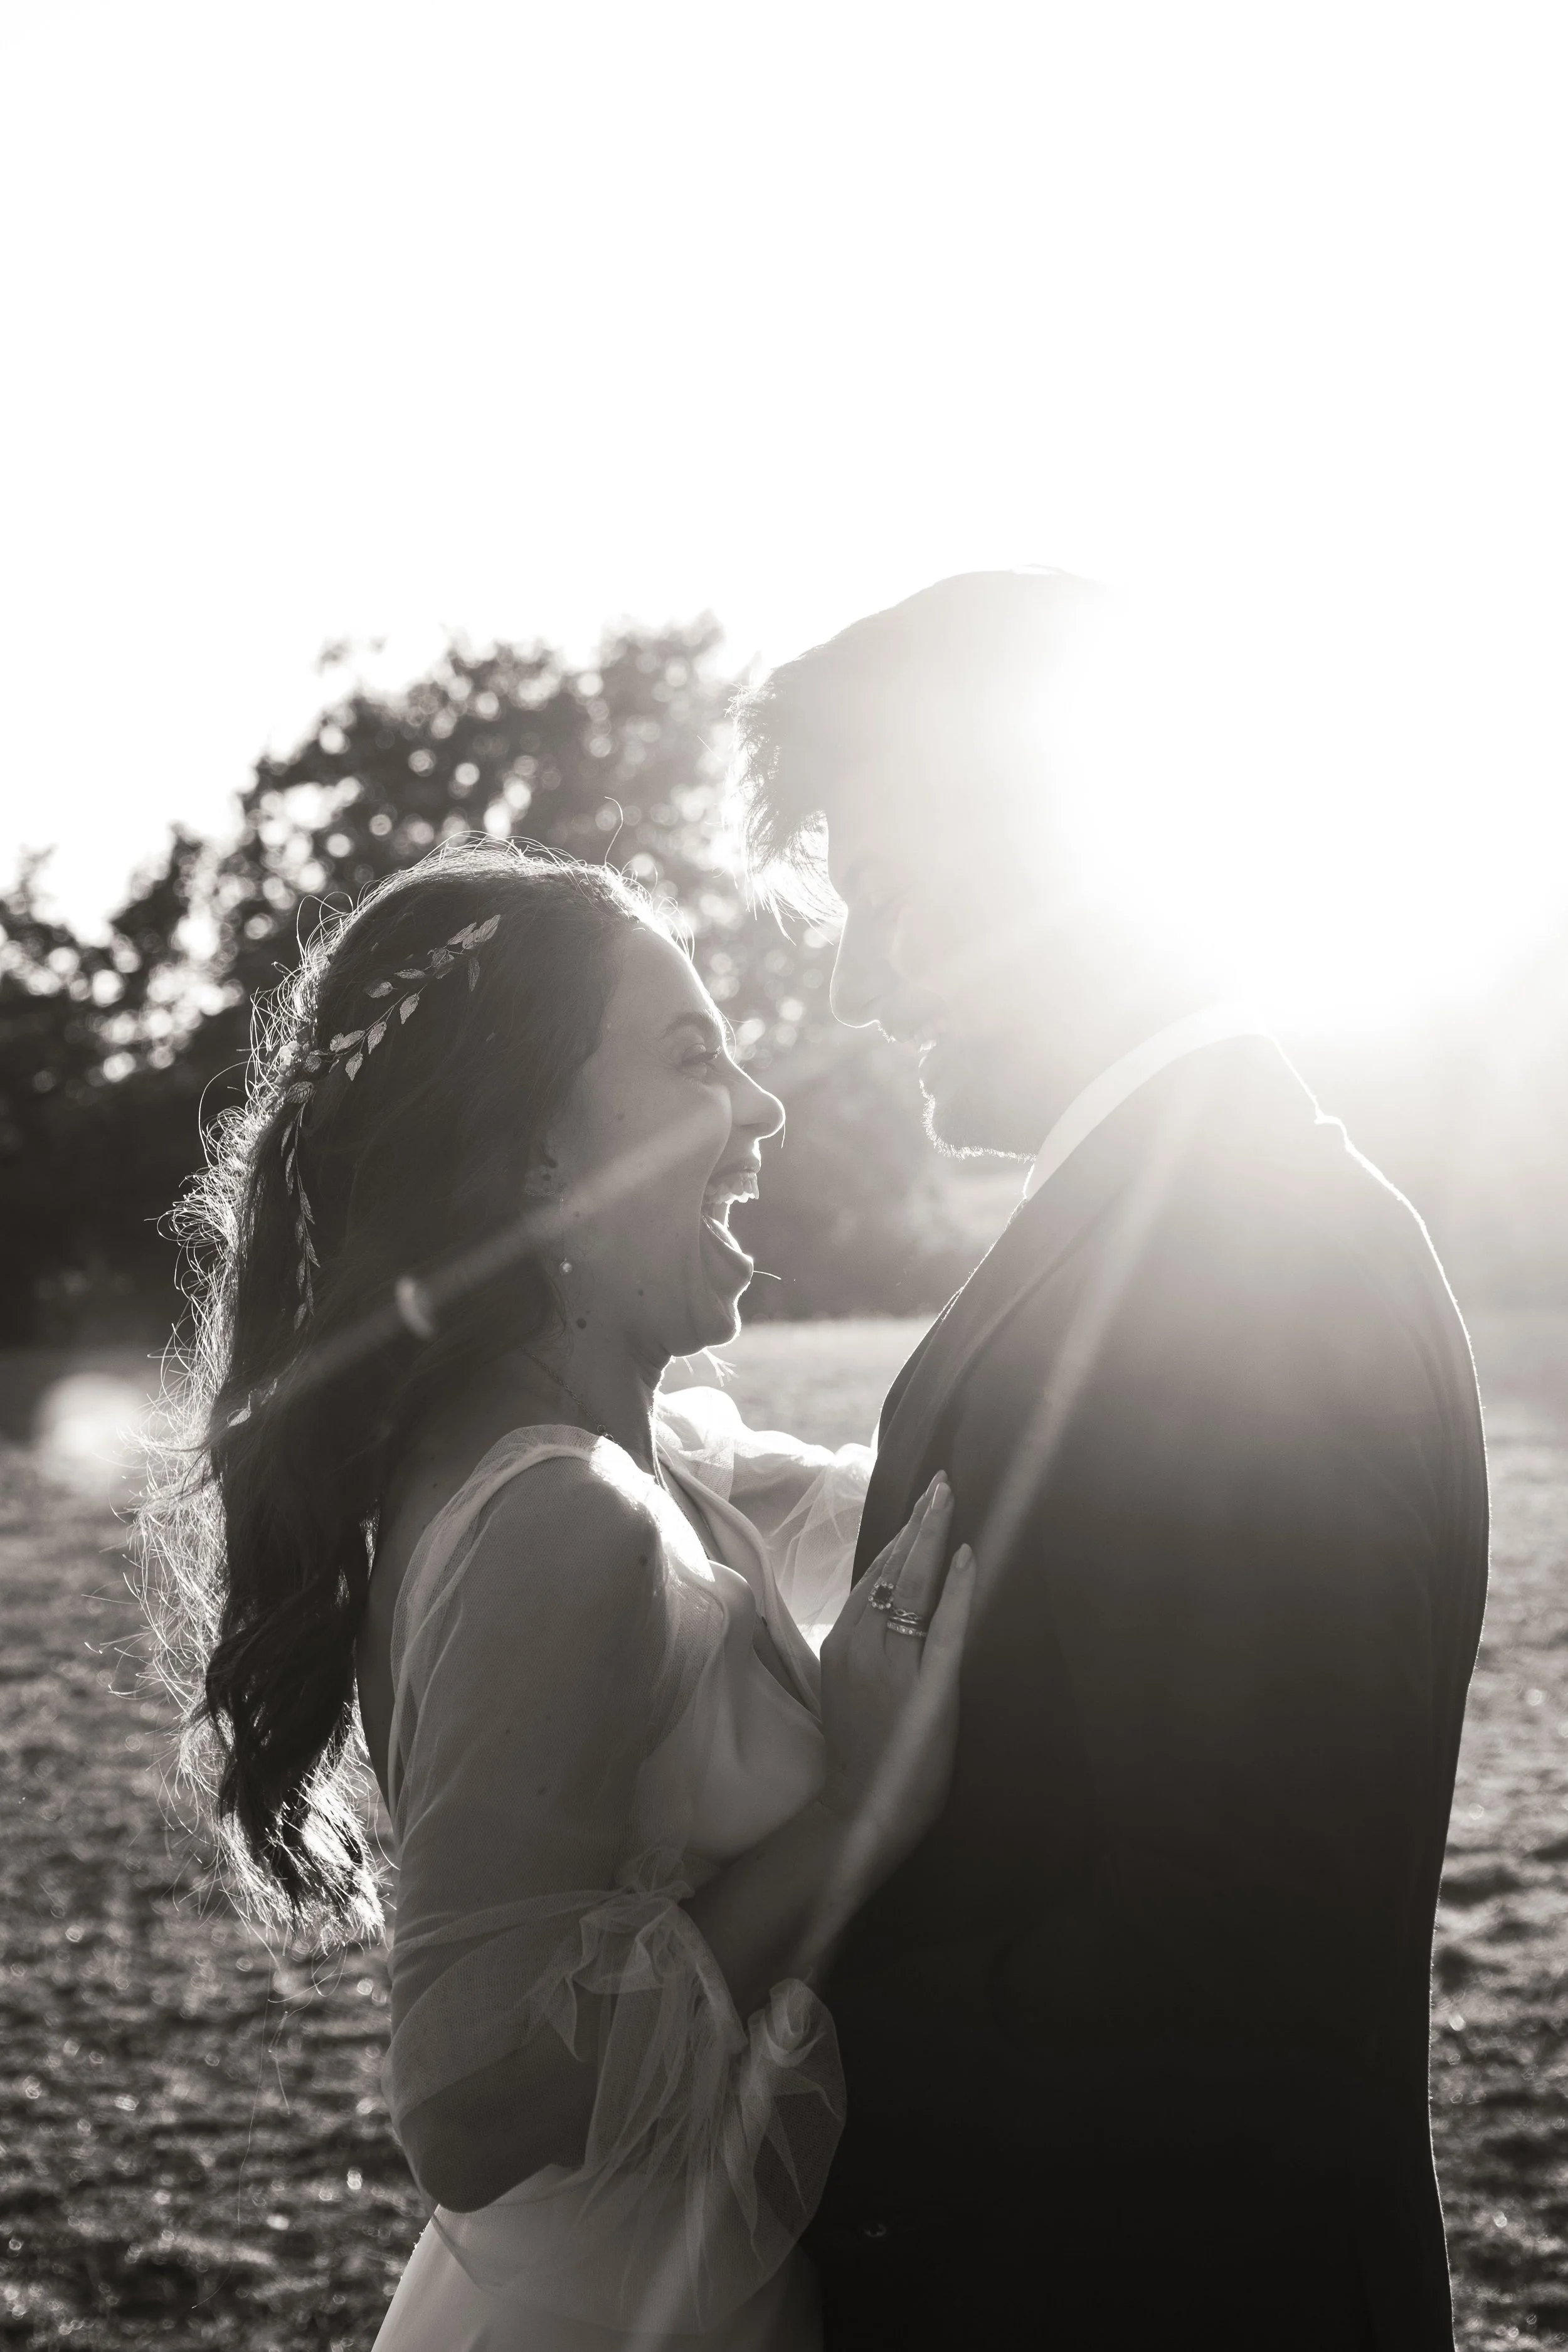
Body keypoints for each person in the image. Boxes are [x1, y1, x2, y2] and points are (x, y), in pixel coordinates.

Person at [730, 570, 1490, 2352]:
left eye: (884, 898)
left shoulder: (1224, 1266)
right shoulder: (1180, 1210)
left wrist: (754, 2068)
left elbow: (1223, 1967)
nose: (852, 981)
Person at [140, 842, 978, 2351]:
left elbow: (926, 1503)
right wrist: (852, 1814)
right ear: (536, 1151)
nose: (761, 1109)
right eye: (692, 1059)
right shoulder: (560, 1521)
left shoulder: (643, 1460)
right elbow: (461, 2106)